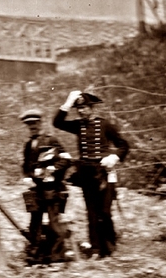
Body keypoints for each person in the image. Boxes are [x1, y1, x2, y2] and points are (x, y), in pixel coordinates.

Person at [53, 90, 130, 258]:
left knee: (105, 211)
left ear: (92, 108)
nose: (81, 111)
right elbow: (57, 123)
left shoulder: (104, 124)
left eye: (85, 107)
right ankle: (95, 249)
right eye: (78, 108)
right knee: (91, 212)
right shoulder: (78, 125)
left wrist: (114, 157)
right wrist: (68, 102)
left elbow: (124, 144)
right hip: (86, 173)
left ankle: (109, 246)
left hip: (105, 172)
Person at [20, 108, 72, 264]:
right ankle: (36, 256)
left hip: (52, 190)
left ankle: (57, 258)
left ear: (40, 123)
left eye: (34, 123)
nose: (32, 127)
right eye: (29, 124)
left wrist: (53, 169)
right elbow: (26, 165)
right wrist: (27, 177)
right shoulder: (29, 144)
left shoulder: (51, 140)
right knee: (34, 224)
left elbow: (66, 160)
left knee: (54, 224)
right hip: (36, 191)